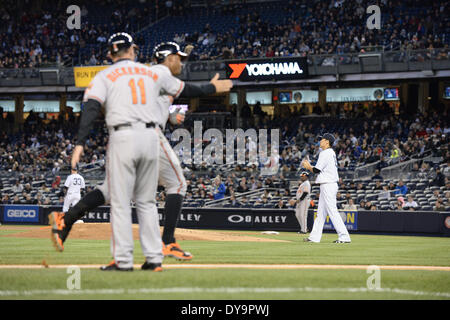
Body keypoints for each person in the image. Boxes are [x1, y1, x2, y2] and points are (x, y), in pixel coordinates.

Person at [48, 40, 233, 262]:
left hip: (125, 136)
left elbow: (152, 102)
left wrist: (170, 117)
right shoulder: (156, 73)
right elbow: (175, 90)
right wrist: (212, 88)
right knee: (177, 184)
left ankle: (66, 221)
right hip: (149, 136)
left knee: (110, 191)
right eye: (179, 59)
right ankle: (167, 243)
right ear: (168, 58)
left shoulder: (149, 74)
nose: (181, 63)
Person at [50, 32, 164, 272]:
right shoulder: (151, 72)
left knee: (118, 199)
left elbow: (91, 107)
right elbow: (180, 90)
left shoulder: (105, 75)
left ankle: (121, 260)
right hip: (151, 138)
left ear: (110, 54)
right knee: (145, 201)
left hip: (123, 137)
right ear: (133, 49)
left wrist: (80, 142)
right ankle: (154, 259)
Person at [301, 133, 351, 243]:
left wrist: (308, 166)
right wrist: (310, 167)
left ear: (327, 142)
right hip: (327, 184)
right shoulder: (330, 152)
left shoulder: (326, 153)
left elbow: (317, 170)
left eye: (322, 140)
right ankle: (314, 237)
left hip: (328, 184)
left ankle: (344, 236)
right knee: (320, 213)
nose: (320, 141)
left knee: (332, 211)